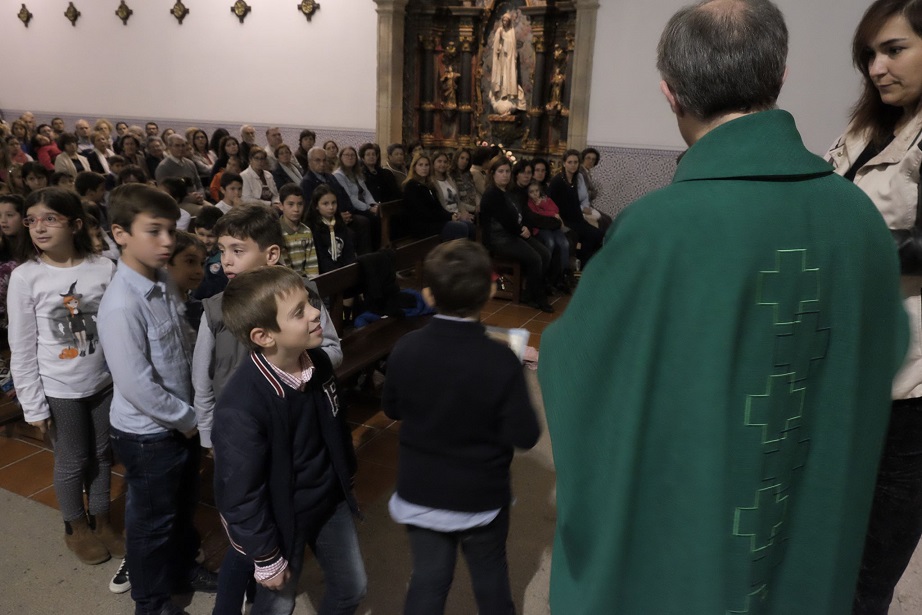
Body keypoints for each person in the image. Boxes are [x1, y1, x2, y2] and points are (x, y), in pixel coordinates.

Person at [538, 1, 909, 614]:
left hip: (692, 551)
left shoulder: (654, 230)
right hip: (804, 546)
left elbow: (580, 368)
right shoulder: (858, 219)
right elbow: (883, 351)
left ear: (669, 92)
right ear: (780, 75)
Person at [190, 204, 342, 615]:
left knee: (271, 525)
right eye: (222, 250)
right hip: (238, 435)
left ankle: (263, 585)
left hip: (290, 430)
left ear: (271, 255)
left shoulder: (302, 297)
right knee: (247, 533)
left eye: (237, 250)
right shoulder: (216, 308)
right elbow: (202, 377)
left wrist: (297, 357)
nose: (226, 261)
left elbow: (331, 347)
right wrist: (206, 433)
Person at [824, 1, 922, 612]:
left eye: (894, 49)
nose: (876, 67)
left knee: (871, 563)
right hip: (846, 364)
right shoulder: (864, 130)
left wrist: (850, 245)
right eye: (869, 54)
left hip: (909, 381)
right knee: (825, 539)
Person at [384, 239, 540, 615]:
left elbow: (392, 408)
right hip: (480, 495)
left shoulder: (406, 348)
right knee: (490, 577)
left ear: (428, 295)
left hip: (420, 491)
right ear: (490, 291)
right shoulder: (501, 359)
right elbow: (526, 434)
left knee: (429, 580)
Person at [213, 265, 366, 615]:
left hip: (329, 502)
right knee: (277, 606)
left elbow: (335, 425)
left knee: (352, 588)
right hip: (282, 519)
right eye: (299, 312)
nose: (315, 313)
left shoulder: (319, 363)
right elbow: (240, 493)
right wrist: (267, 557)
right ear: (264, 336)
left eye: (309, 302)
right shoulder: (241, 406)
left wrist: (346, 476)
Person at [98, 184, 219, 615]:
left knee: (181, 508)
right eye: (154, 231)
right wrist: (189, 420)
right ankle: (150, 604)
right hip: (149, 434)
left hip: (180, 422)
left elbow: (180, 347)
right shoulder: (121, 304)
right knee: (151, 525)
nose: (167, 241)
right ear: (120, 234)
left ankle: (182, 570)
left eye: (170, 230)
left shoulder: (162, 280)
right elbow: (138, 386)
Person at [8, 188, 122, 568]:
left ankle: (102, 519)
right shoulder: (27, 276)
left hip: (103, 383)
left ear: (75, 225)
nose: (39, 227)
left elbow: (116, 326)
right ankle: (75, 527)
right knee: (73, 460)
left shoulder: (103, 267)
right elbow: (22, 346)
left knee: (102, 455)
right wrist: (32, 404)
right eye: (32, 220)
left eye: (50, 219)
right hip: (60, 389)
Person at [479, 157, 553, 312]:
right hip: (498, 239)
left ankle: (529, 292)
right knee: (535, 258)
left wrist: (524, 228)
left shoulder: (507, 192)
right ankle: (537, 296)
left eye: (507, 171)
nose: (505, 175)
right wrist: (521, 230)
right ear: (493, 174)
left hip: (512, 234)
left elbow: (519, 214)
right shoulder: (492, 194)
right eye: (501, 171)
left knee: (545, 253)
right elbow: (505, 220)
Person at [546, 149, 605, 264]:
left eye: (575, 162)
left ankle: (583, 263)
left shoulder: (576, 178)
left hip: (577, 218)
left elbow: (580, 199)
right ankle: (581, 263)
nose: (573, 165)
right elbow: (551, 203)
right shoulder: (557, 181)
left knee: (599, 235)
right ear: (564, 163)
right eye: (570, 162)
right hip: (564, 220)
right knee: (593, 235)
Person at [401, 154, 474, 241]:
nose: (424, 168)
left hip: (435, 221)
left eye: (426, 165)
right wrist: (448, 217)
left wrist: (451, 215)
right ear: (414, 167)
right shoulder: (411, 186)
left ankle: (469, 250)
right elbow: (423, 212)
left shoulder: (428, 185)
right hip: (422, 225)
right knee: (461, 227)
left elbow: (438, 207)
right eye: (420, 165)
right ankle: (456, 250)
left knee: (469, 226)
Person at [306, 184, 358, 274]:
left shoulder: (340, 224)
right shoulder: (312, 228)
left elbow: (349, 252)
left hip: (344, 270)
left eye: (334, 203)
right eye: (325, 204)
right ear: (316, 205)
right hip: (326, 274)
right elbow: (321, 258)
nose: (331, 207)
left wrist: (349, 269)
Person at [165, 231, 206, 332]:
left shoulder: (201, 310)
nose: (200, 271)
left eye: (202, 263)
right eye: (190, 261)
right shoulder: (147, 307)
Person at [278, 183, 320, 280]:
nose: (296, 209)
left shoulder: (306, 231)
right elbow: (284, 266)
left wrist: (313, 282)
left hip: (305, 280)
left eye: (300, 204)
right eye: (291, 204)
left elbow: (311, 264)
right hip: (286, 280)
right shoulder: (277, 231)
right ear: (281, 206)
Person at [155, 135, 206, 206]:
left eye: (183, 145)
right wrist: (188, 199)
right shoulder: (163, 167)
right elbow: (164, 195)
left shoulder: (190, 163)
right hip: (179, 205)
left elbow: (199, 184)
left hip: (197, 199)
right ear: (169, 147)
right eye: (177, 146)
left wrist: (200, 195)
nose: (181, 148)